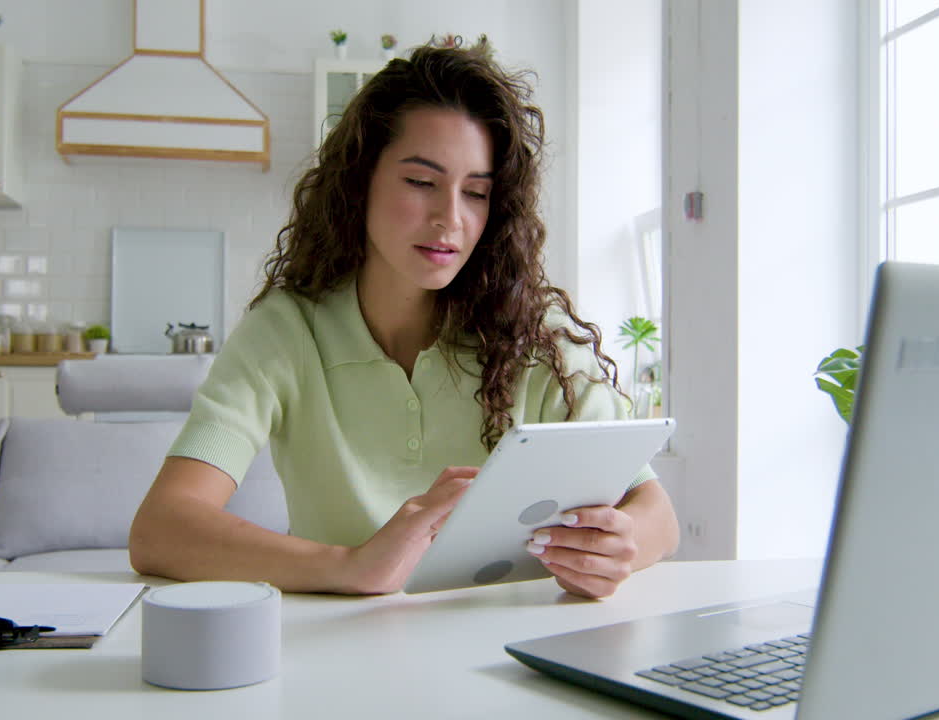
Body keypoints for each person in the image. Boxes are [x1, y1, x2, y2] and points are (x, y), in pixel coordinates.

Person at [129, 38, 679, 599]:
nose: (451, 219)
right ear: (359, 181)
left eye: (477, 193)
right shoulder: (287, 331)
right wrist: (351, 565)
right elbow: (162, 528)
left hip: (510, 651)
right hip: (343, 654)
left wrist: (618, 543)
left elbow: (656, 512)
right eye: (421, 182)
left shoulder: (537, 333)